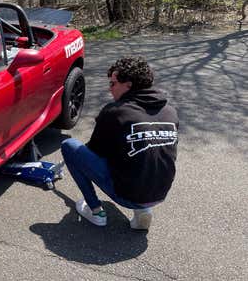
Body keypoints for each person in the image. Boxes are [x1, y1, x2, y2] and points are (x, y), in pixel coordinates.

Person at [60, 57, 178, 230]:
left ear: (128, 85)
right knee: (142, 157)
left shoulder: (115, 112)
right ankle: (143, 210)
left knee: (70, 147)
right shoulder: (170, 111)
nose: (110, 89)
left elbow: (95, 151)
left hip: (127, 194)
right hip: (160, 192)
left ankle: (95, 211)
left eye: (113, 84)